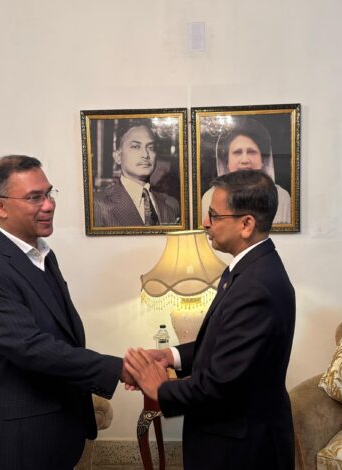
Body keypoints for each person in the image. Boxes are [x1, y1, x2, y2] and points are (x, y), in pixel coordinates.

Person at [0, 155, 132, 469]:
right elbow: (32, 348)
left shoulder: (40, 254)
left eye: (49, 193)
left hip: (54, 428)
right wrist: (120, 368)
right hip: (16, 443)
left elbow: (60, 330)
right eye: (34, 197)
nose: (49, 205)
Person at [125, 169, 296, 470]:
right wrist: (172, 356)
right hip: (231, 438)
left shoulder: (257, 287)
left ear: (246, 224)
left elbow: (221, 386)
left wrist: (160, 388)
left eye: (214, 216)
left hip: (241, 449)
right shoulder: (247, 269)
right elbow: (226, 344)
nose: (205, 222)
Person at [200, 117, 291, 225]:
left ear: (263, 160)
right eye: (237, 152)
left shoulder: (281, 196)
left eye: (251, 152)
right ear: (227, 162)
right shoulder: (210, 197)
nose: (245, 160)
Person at [93, 119, 180, 227]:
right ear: (118, 156)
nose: (145, 155)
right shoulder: (97, 204)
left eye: (151, 147)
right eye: (136, 146)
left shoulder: (171, 205)